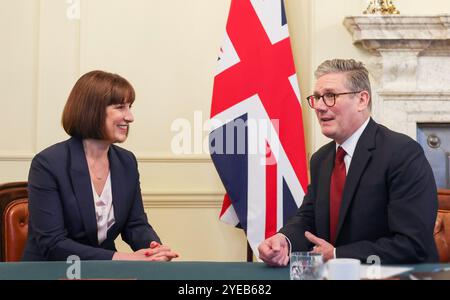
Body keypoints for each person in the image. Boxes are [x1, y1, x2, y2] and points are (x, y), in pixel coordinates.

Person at [258, 59, 438, 265]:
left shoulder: (402, 153)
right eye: (316, 97)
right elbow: (308, 219)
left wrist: (337, 255)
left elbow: (412, 244)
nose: (319, 106)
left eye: (330, 96)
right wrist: (284, 240)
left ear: (362, 100)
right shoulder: (321, 159)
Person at [22, 70, 179, 261]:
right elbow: (53, 244)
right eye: (120, 107)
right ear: (92, 110)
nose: (130, 117)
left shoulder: (126, 162)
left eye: (130, 107)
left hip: (103, 271)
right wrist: (122, 258)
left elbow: (135, 224)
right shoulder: (48, 164)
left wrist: (153, 250)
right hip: (54, 271)